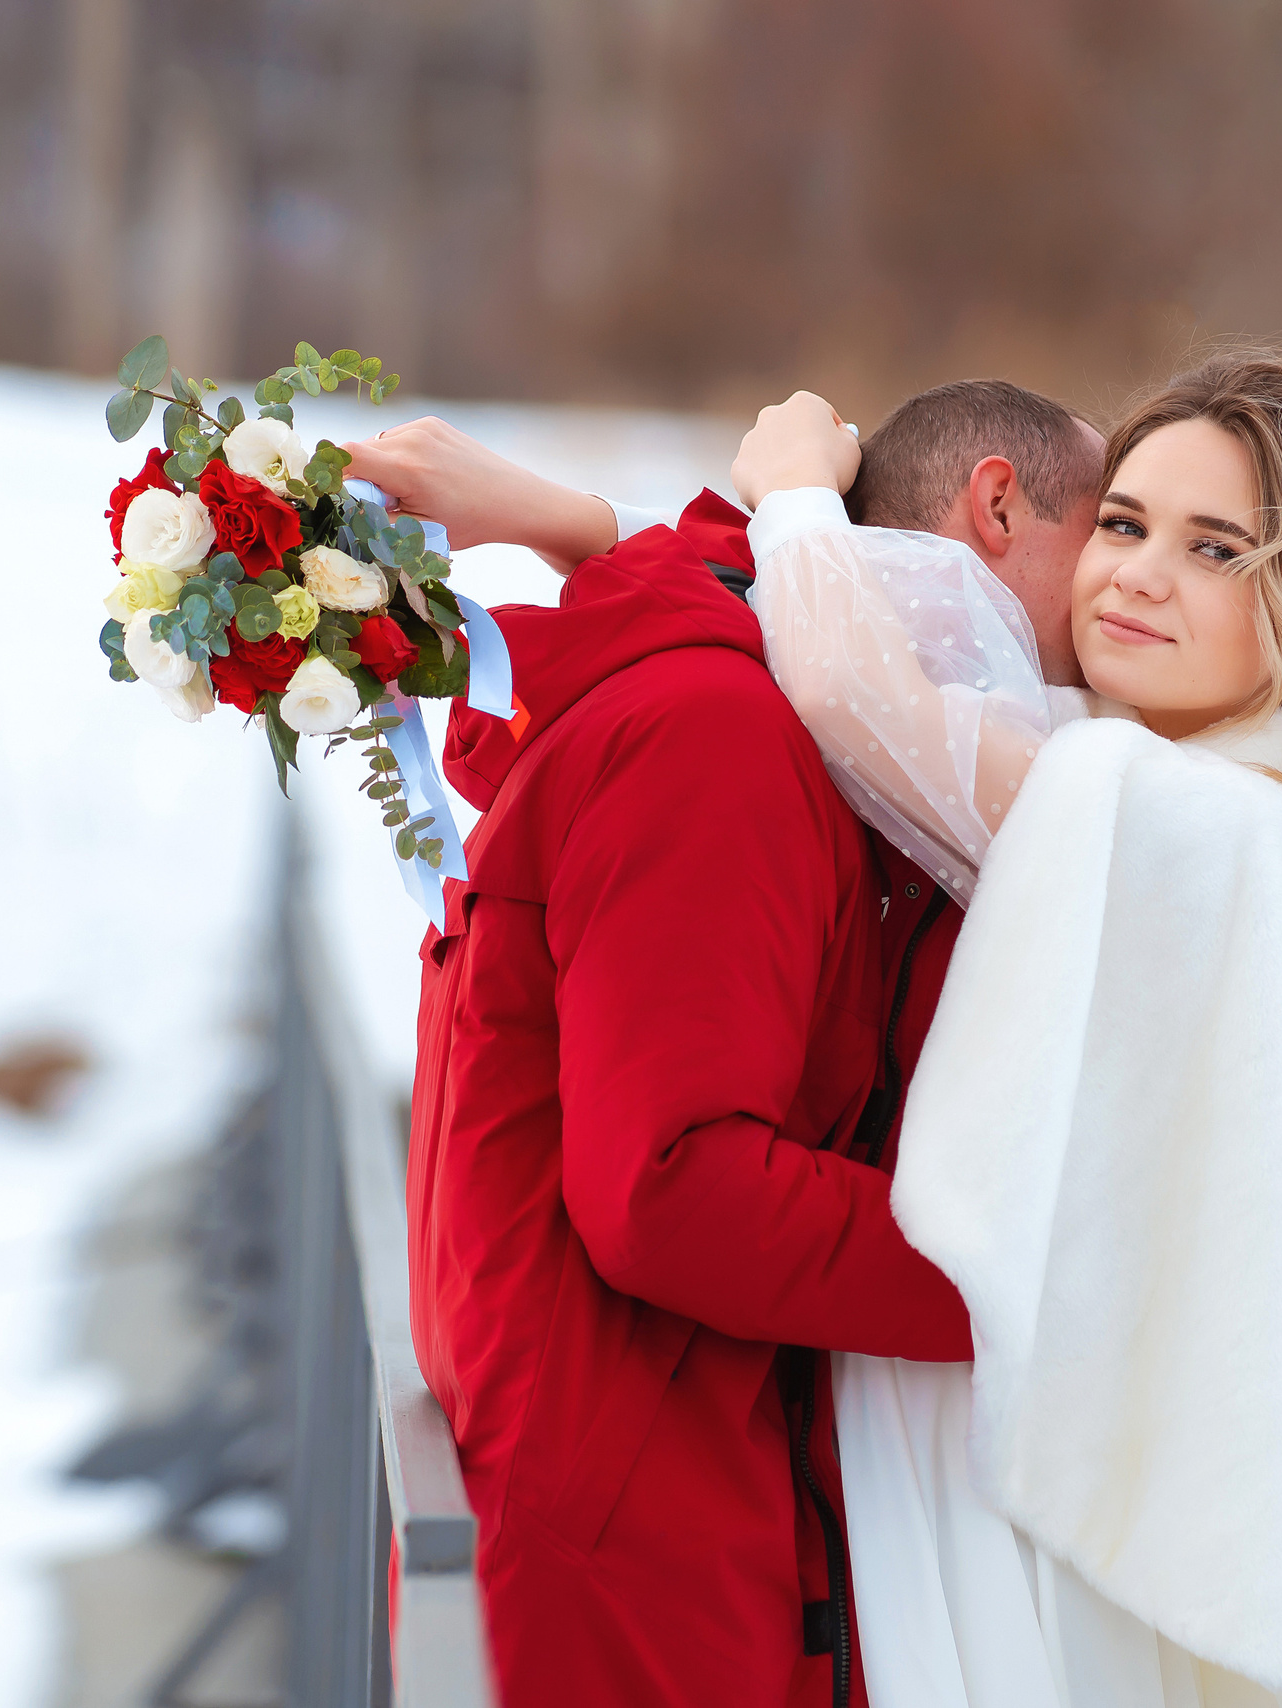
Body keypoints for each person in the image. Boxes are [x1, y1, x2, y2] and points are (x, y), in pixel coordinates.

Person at [726, 348, 1282, 1708]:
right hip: (1113, 1455)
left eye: (1217, 550)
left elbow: (862, 698)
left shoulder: (1184, 820)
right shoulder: (1263, 794)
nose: (1137, 574)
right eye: (1125, 524)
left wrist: (787, 500)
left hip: (1051, 1510)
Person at [340, 378, 1107, 1708]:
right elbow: (671, 1186)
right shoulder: (722, 734)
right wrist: (1034, 1290)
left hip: (649, 1493)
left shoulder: (749, 697)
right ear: (997, 508)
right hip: (632, 1553)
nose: (1117, 600)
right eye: (1111, 535)